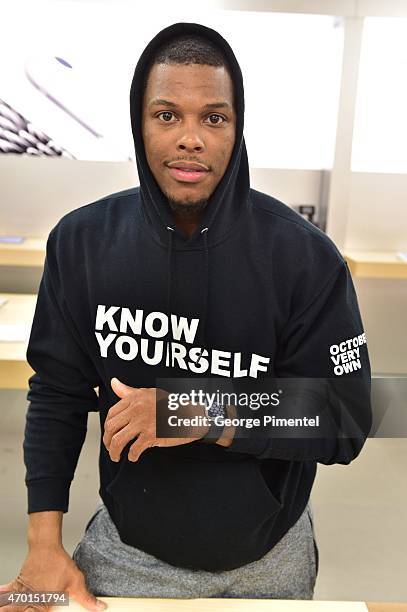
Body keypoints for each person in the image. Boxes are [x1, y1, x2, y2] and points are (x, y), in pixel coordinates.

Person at [0, 22, 372, 609]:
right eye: (167, 115)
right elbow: (56, 396)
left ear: (237, 127)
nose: (190, 138)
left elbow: (346, 415)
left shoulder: (305, 258)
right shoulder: (81, 244)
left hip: (269, 564)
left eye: (214, 118)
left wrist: (191, 407)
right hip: (126, 554)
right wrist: (43, 544)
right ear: (139, 123)